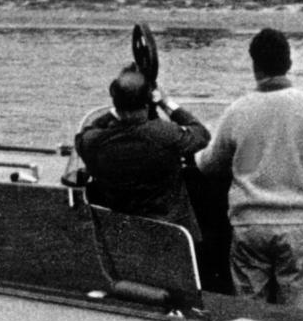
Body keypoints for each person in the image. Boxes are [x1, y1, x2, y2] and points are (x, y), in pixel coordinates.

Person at [195, 28, 303, 309]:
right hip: (298, 226)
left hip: (249, 224)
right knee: (295, 313)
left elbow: (209, 164)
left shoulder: (238, 110)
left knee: (249, 311)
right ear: (289, 63)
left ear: (255, 65)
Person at [75, 65, 210, 241]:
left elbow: (84, 135)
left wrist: (114, 110)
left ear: (115, 102)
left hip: (121, 238)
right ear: (147, 102)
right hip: (172, 238)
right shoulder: (165, 134)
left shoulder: (94, 142)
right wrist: (165, 102)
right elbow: (201, 134)